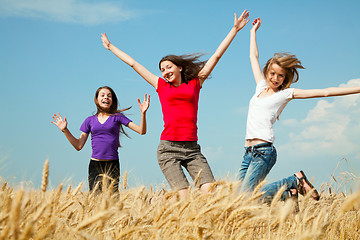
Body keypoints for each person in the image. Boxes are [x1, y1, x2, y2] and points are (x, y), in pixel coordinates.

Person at [101, 10, 250, 200]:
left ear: (179, 67)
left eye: (168, 67)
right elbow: (133, 63)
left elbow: (216, 57)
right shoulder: (161, 85)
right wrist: (111, 47)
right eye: (162, 70)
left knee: (210, 192)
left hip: (192, 149)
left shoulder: (196, 83)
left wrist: (234, 30)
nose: (165, 72)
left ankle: (161, 204)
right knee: (184, 198)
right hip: (168, 149)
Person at [239, 17, 360, 203]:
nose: (275, 78)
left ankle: (294, 180)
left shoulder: (286, 94)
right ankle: (289, 194)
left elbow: (325, 92)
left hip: (264, 151)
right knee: (235, 200)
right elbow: (253, 57)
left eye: (281, 75)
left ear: (285, 78)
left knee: (246, 198)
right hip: (248, 152)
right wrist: (252, 32)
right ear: (266, 72)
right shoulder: (259, 87)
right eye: (272, 73)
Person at [51, 86, 150, 194]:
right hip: (95, 165)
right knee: (95, 199)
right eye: (102, 95)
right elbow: (78, 145)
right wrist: (65, 130)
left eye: (109, 96)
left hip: (112, 164)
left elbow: (141, 131)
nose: (106, 97)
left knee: (113, 200)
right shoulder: (89, 120)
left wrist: (143, 113)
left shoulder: (118, 117)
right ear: (97, 100)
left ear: (112, 100)